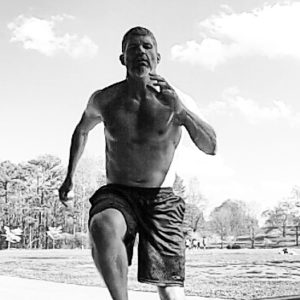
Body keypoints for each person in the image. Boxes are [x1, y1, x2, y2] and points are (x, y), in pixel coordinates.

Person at [59, 26, 216, 300]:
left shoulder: (178, 100)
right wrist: (69, 177)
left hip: (162, 200)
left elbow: (211, 146)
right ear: (123, 58)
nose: (141, 52)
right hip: (119, 192)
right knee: (102, 225)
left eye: (147, 46)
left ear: (158, 56)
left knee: (171, 294)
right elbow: (82, 130)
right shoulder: (105, 99)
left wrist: (181, 112)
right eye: (133, 47)